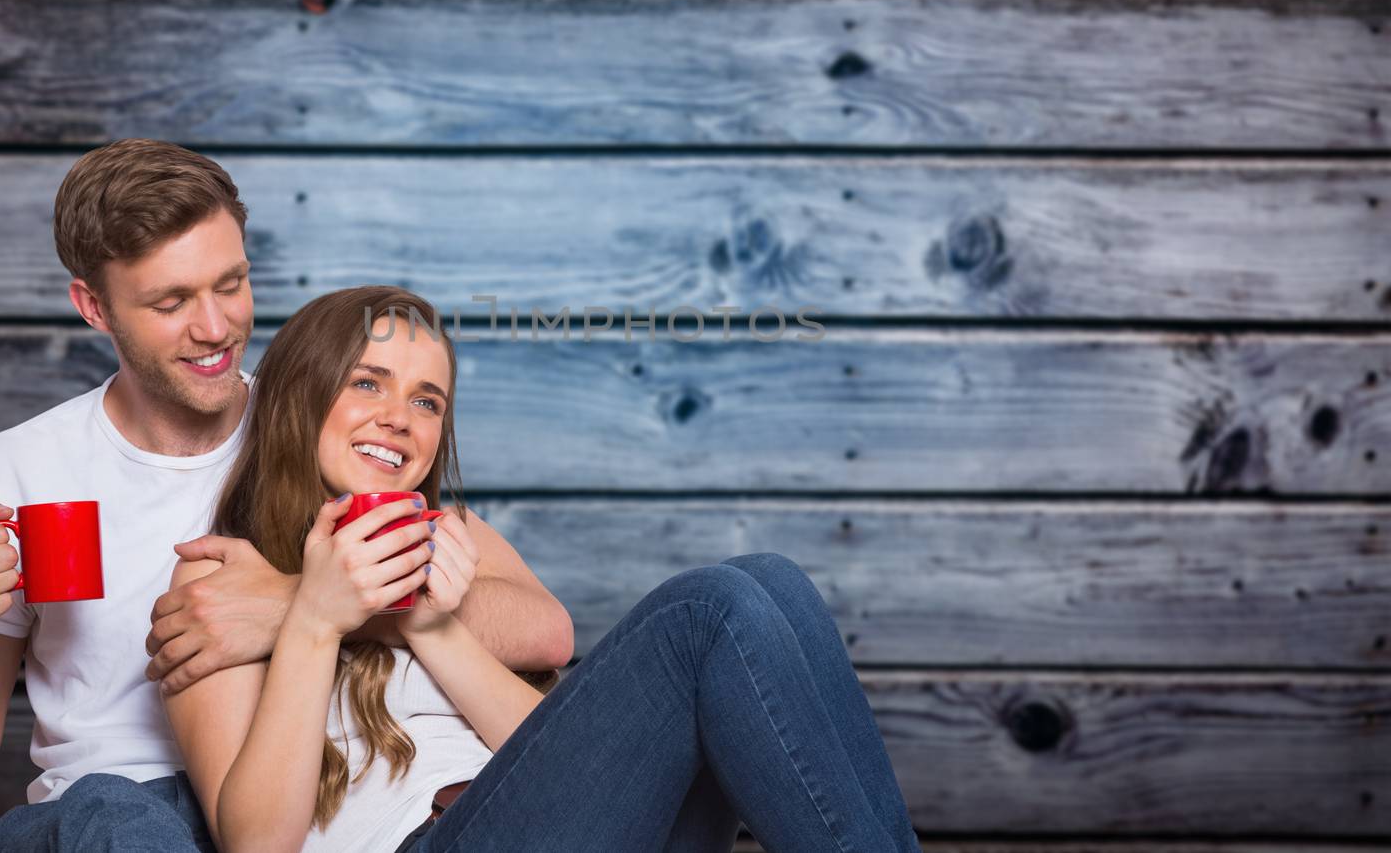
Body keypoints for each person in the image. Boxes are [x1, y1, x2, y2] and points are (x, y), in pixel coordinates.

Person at [0, 139, 573, 851]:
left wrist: (288, 607)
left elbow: (531, 626)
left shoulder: (321, 424)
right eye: (171, 301)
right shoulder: (23, 467)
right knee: (112, 808)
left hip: (288, 794)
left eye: (231, 283)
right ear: (94, 306)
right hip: (111, 809)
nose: (216, 327)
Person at [165, 285, 923, 853]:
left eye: (428, 401)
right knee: (710, 610)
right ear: (299, 393)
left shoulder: (455, 537)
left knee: (774, 581)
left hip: (531, 822)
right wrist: (313, 616)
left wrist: (426, 623)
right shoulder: (222, 581)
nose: (400, 414)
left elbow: (557, 744)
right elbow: (255, 845)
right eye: (368, 381)